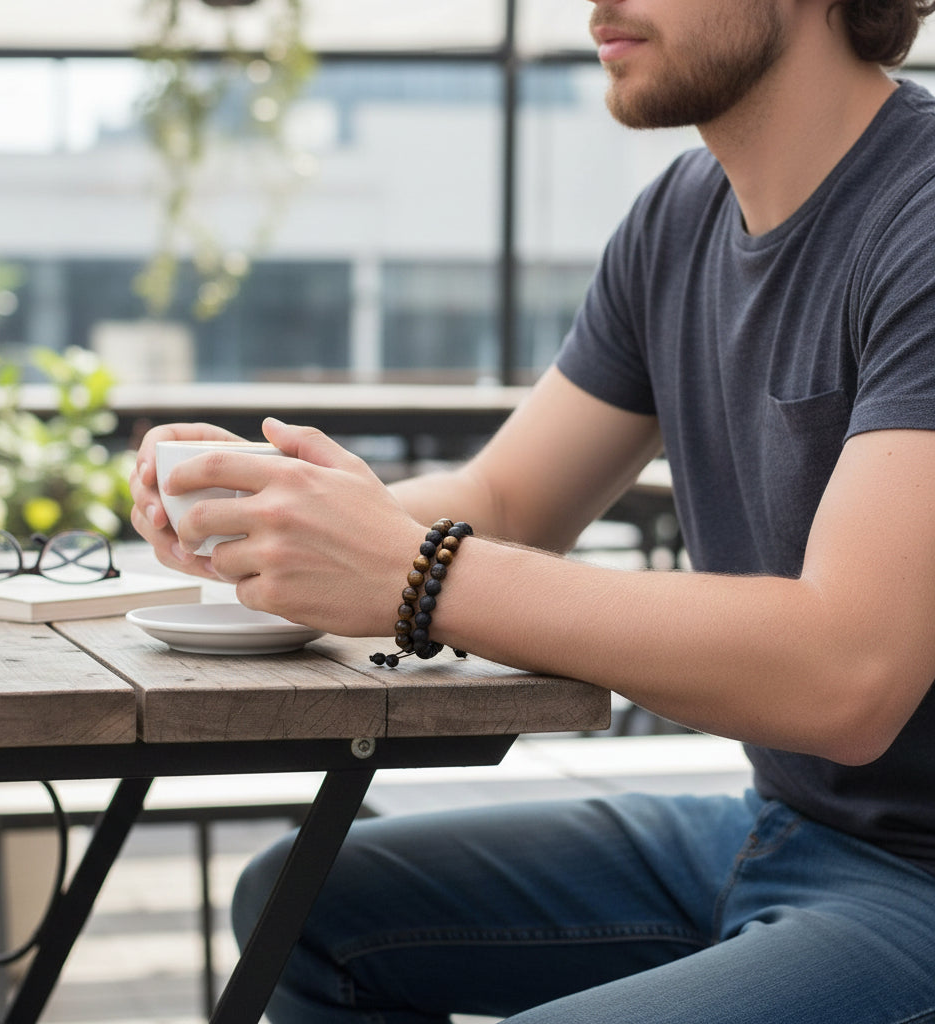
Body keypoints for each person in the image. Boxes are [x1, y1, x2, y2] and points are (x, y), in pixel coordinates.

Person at [128, 0, 935, 1019]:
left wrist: (412, 570)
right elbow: (505, 499)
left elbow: (847, 673)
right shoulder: (678, 219)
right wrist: (284, 518)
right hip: (786, 827)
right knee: (299, 903)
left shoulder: (919, 216)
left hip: (918, 881)